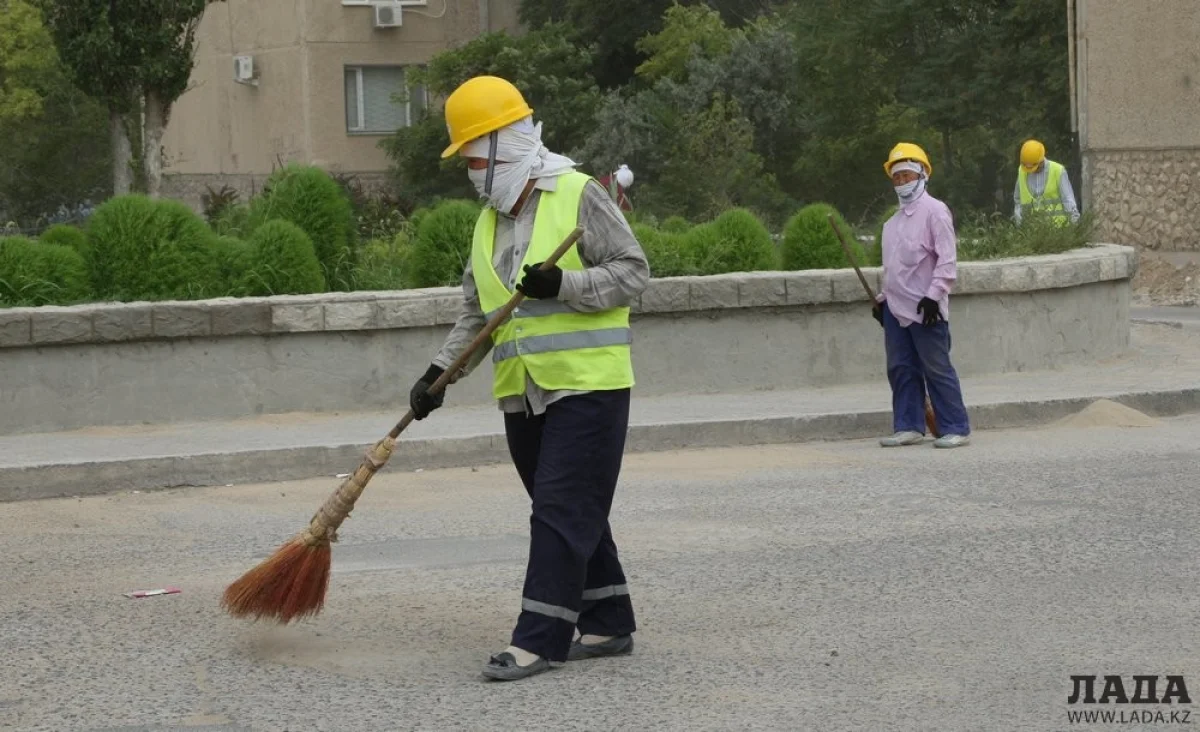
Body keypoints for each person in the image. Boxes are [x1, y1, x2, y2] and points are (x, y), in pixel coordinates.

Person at [406, 75, 650, 681]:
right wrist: (440, 372)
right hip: (522, 394)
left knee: (560, 510)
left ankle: (539, 638)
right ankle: (609, 619)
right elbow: (476, 313)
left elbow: (633, 272)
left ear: (506, 143)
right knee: (565, 507)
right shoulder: (486, 223)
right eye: (464, 160)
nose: (468, 170)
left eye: (473, 156)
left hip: (588, 386)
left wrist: (563, 285)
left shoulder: (578, 194)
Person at [873, 142, 971, 449]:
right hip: (897, 311)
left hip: (926, 309)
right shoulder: (892, 225)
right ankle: (909, 425)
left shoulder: (936, 213)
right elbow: (894, 270)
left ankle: (955, 426)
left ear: (923, 174)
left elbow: (947, 261)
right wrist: (882, 301)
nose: (902, 182)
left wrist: (934, 295)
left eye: (907, 175)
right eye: (897, 178)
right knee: (901, 368)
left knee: (937, 368)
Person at [1013, 139, 1080, 226]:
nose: (1030, 171)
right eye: (1027, 167)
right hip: (1031, 233)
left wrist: (1074, 224)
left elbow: (1068, 200)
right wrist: (1019, 223)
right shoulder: (1022, 171)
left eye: (1034, 167)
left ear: (1041, 161)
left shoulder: (1058, 171)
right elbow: (1018, 201)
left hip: (1058, 231)